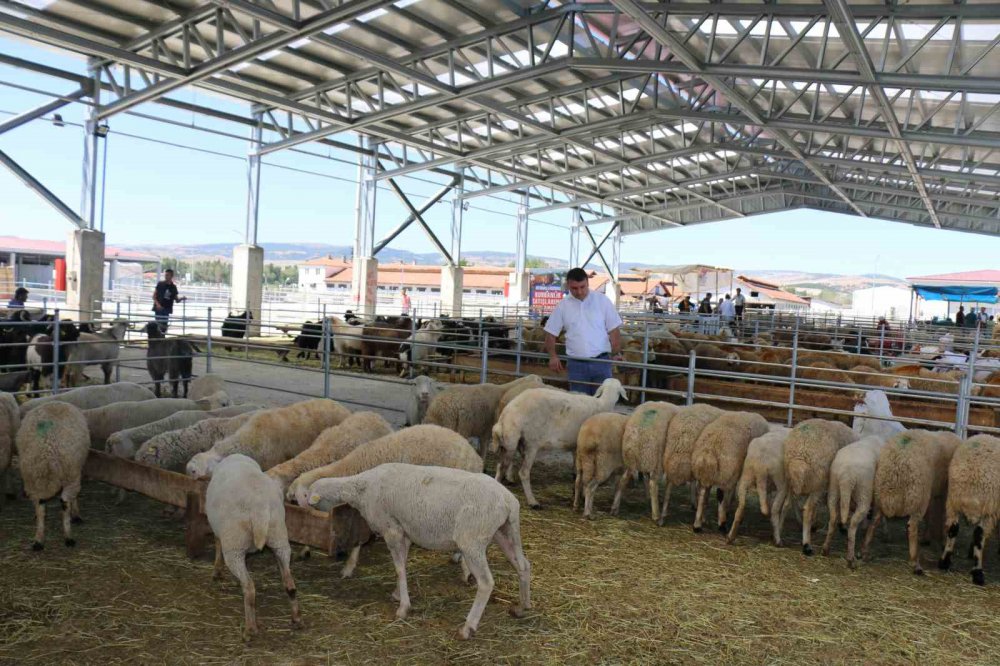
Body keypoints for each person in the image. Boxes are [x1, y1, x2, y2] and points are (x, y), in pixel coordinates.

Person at [544, 267, 623, 395]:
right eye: (574, 288)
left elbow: (614, 329)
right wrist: (553, 356)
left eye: (582, 287)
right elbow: (550, 333)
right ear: (568, 285)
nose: (579, 291)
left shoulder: (602, 301)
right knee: (578, 402)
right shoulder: (563, 306)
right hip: (576, 365)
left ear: (587, 283)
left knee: (602, 400)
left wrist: (616, 352)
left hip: (601, 362)